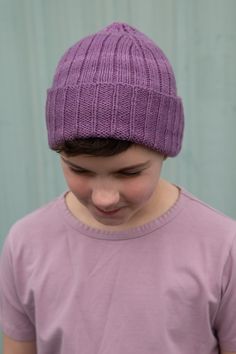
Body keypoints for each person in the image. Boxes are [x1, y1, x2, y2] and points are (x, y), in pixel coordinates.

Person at [0, 22, 235, 354]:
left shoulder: (222, 246)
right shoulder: (26, 243)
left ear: (166, 148)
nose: (104, 197)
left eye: (128, 173)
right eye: (78, 169)